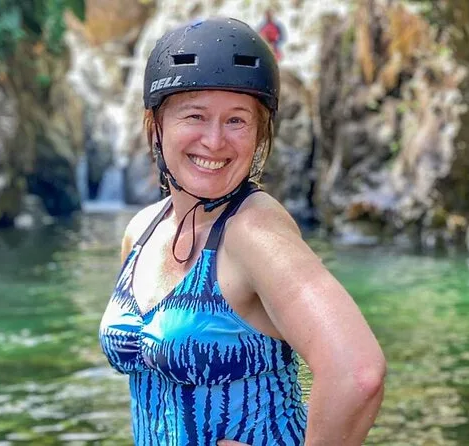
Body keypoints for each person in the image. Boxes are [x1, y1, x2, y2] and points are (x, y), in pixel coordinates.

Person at [99, 17, 386, 446]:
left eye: (236, 120)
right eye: (195, 116)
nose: (215, 141)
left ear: (259, 133)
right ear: (156, 124)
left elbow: (357, 374)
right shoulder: (142, 230)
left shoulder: (252, 230)